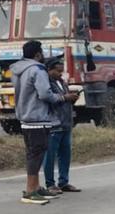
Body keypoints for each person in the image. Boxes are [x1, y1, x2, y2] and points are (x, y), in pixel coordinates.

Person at [13, 40, 76, 205]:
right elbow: (45, 94)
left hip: (25, 116)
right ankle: (30, 191)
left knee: (33, 154)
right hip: (38, 118)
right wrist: (63, 98)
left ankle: (36, 187)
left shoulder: (18, 69)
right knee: (36, 155)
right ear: (38, 54)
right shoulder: (37, 70)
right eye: (41, 53)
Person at [41, 59, 80, 194]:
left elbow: (65, 99)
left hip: (66, 123)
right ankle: (50, 184)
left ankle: (64, 182)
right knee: (50, 156)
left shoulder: (62, 83)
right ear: (49, 70)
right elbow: (49, 98)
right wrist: (65, 97)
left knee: (65, 155)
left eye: (61, 71)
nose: (60, 73)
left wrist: (72, 98)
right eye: (57, 71)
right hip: (53, 124)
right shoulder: (46, 84)